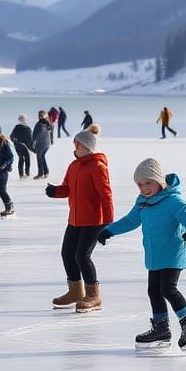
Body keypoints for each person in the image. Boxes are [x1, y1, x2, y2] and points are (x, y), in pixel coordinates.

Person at [98, 157, 186, 352]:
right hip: (154, 256)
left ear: (159, 181)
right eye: (140, 185)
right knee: (153, 290)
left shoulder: (172, 201)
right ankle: (161, 328)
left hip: (173, 253)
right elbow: (130, 221)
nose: (144, 188)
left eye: (148, 183)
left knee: (168, 289)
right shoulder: (142, 202)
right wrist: (109, 230)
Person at [46, 124, 114, 312]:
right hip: (75, 219)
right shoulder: (74, 165)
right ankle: (76, 291)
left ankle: (93, 295)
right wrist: (55, 191)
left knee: (82, 256)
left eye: (78, 145)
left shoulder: (98, 167)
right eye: (74, 144)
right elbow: (67, 189)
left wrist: (108, 225)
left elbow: (106, 196)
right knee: (67, 254)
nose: (75, 148)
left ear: (87, 147)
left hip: (94, 221)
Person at [9, 114, 34, 180]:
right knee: (24, 159)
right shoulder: (22, 127)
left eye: (23, 119)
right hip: (20, 146)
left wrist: (32, 148)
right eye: (21, 119)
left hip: (23, 146)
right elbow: (12, 136)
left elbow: (30, 140)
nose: (22, 120)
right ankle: (24, 174)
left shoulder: (25, 128)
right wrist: (14, 140)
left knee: (24, 159)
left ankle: (24, 174)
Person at [31, 109, 52, 180]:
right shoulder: (47, 122)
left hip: (41, 144)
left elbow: (36, 134)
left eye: (39, 115)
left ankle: (40, 174)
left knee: (39, 158)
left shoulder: (40, 124)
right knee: (42, 156)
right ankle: (46, 172)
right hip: (47, 143)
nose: (39, 116)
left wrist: (33, 142)